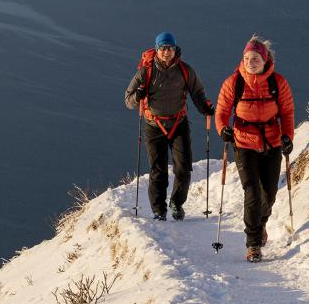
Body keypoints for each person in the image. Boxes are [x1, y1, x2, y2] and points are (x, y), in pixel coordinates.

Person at [214, 35, 295, 262]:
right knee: (251, 191)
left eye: (256, 58)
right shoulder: (234, 82)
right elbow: (221, 112)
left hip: (272, 143)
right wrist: (223, 130)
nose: (251, 61)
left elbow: (287, 113)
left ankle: (261, 225)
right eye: (247, 57)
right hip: (244, 143)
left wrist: (288, 136)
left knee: (268, 194)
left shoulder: (278, 83)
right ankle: (253, 243)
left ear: (265, 59)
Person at [126, 32, 215, 221]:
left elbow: (197, 92)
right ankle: (159, 210)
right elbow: (128, 100)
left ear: (175, 50)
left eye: (170, 48)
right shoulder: (146, 71)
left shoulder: (185, 70)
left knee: (183, 168)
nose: (167, 52)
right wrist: (138, 96)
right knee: (158, 170)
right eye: (163, 48)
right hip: (154, 125)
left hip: (178, 123)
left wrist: (205, 108)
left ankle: (176, 203)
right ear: (157, 50)